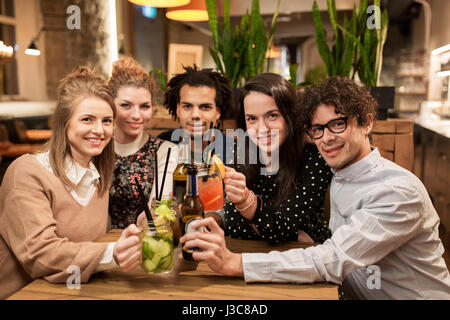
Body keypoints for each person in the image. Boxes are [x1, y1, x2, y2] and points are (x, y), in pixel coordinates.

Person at [180, 76, 450, 299]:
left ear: (367, 122)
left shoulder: (396, 190)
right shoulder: (337, 170)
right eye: (317, 129)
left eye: (338, 124)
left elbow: (331, 261)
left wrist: (233, 262)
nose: (327, 138)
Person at [0, 67, 142, 299]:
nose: (99, 130)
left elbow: (84, 242)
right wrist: (112, 253)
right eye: (87, 119)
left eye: (107, 121)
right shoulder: (26, 173)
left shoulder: (98, 174)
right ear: (64, 123)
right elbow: (40, 255)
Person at [223, 73, 331, 245]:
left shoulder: (315, 157)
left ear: (290, 117)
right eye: (252, 119)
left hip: (305, 258)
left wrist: (247, 204)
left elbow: (280, 229)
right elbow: (234, 226)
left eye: (272, 115)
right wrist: (293, 235)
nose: (262, 128)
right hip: (249, 255)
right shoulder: (238, 150)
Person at [108, 57, 177, 229]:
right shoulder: (98, 147)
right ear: (110, 105)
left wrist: (152, 218)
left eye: (144, 106)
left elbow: (161, 207)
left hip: (145, 240)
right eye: (126, 105)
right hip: (99, 243)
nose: (137, 115)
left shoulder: (165, 151)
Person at [158, 64, 234, 165]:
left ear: (218, 112)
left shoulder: (236, 152)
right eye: (187, 106)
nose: (195, 115)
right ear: (178, 109)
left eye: (205, 107)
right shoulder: (161, 144)